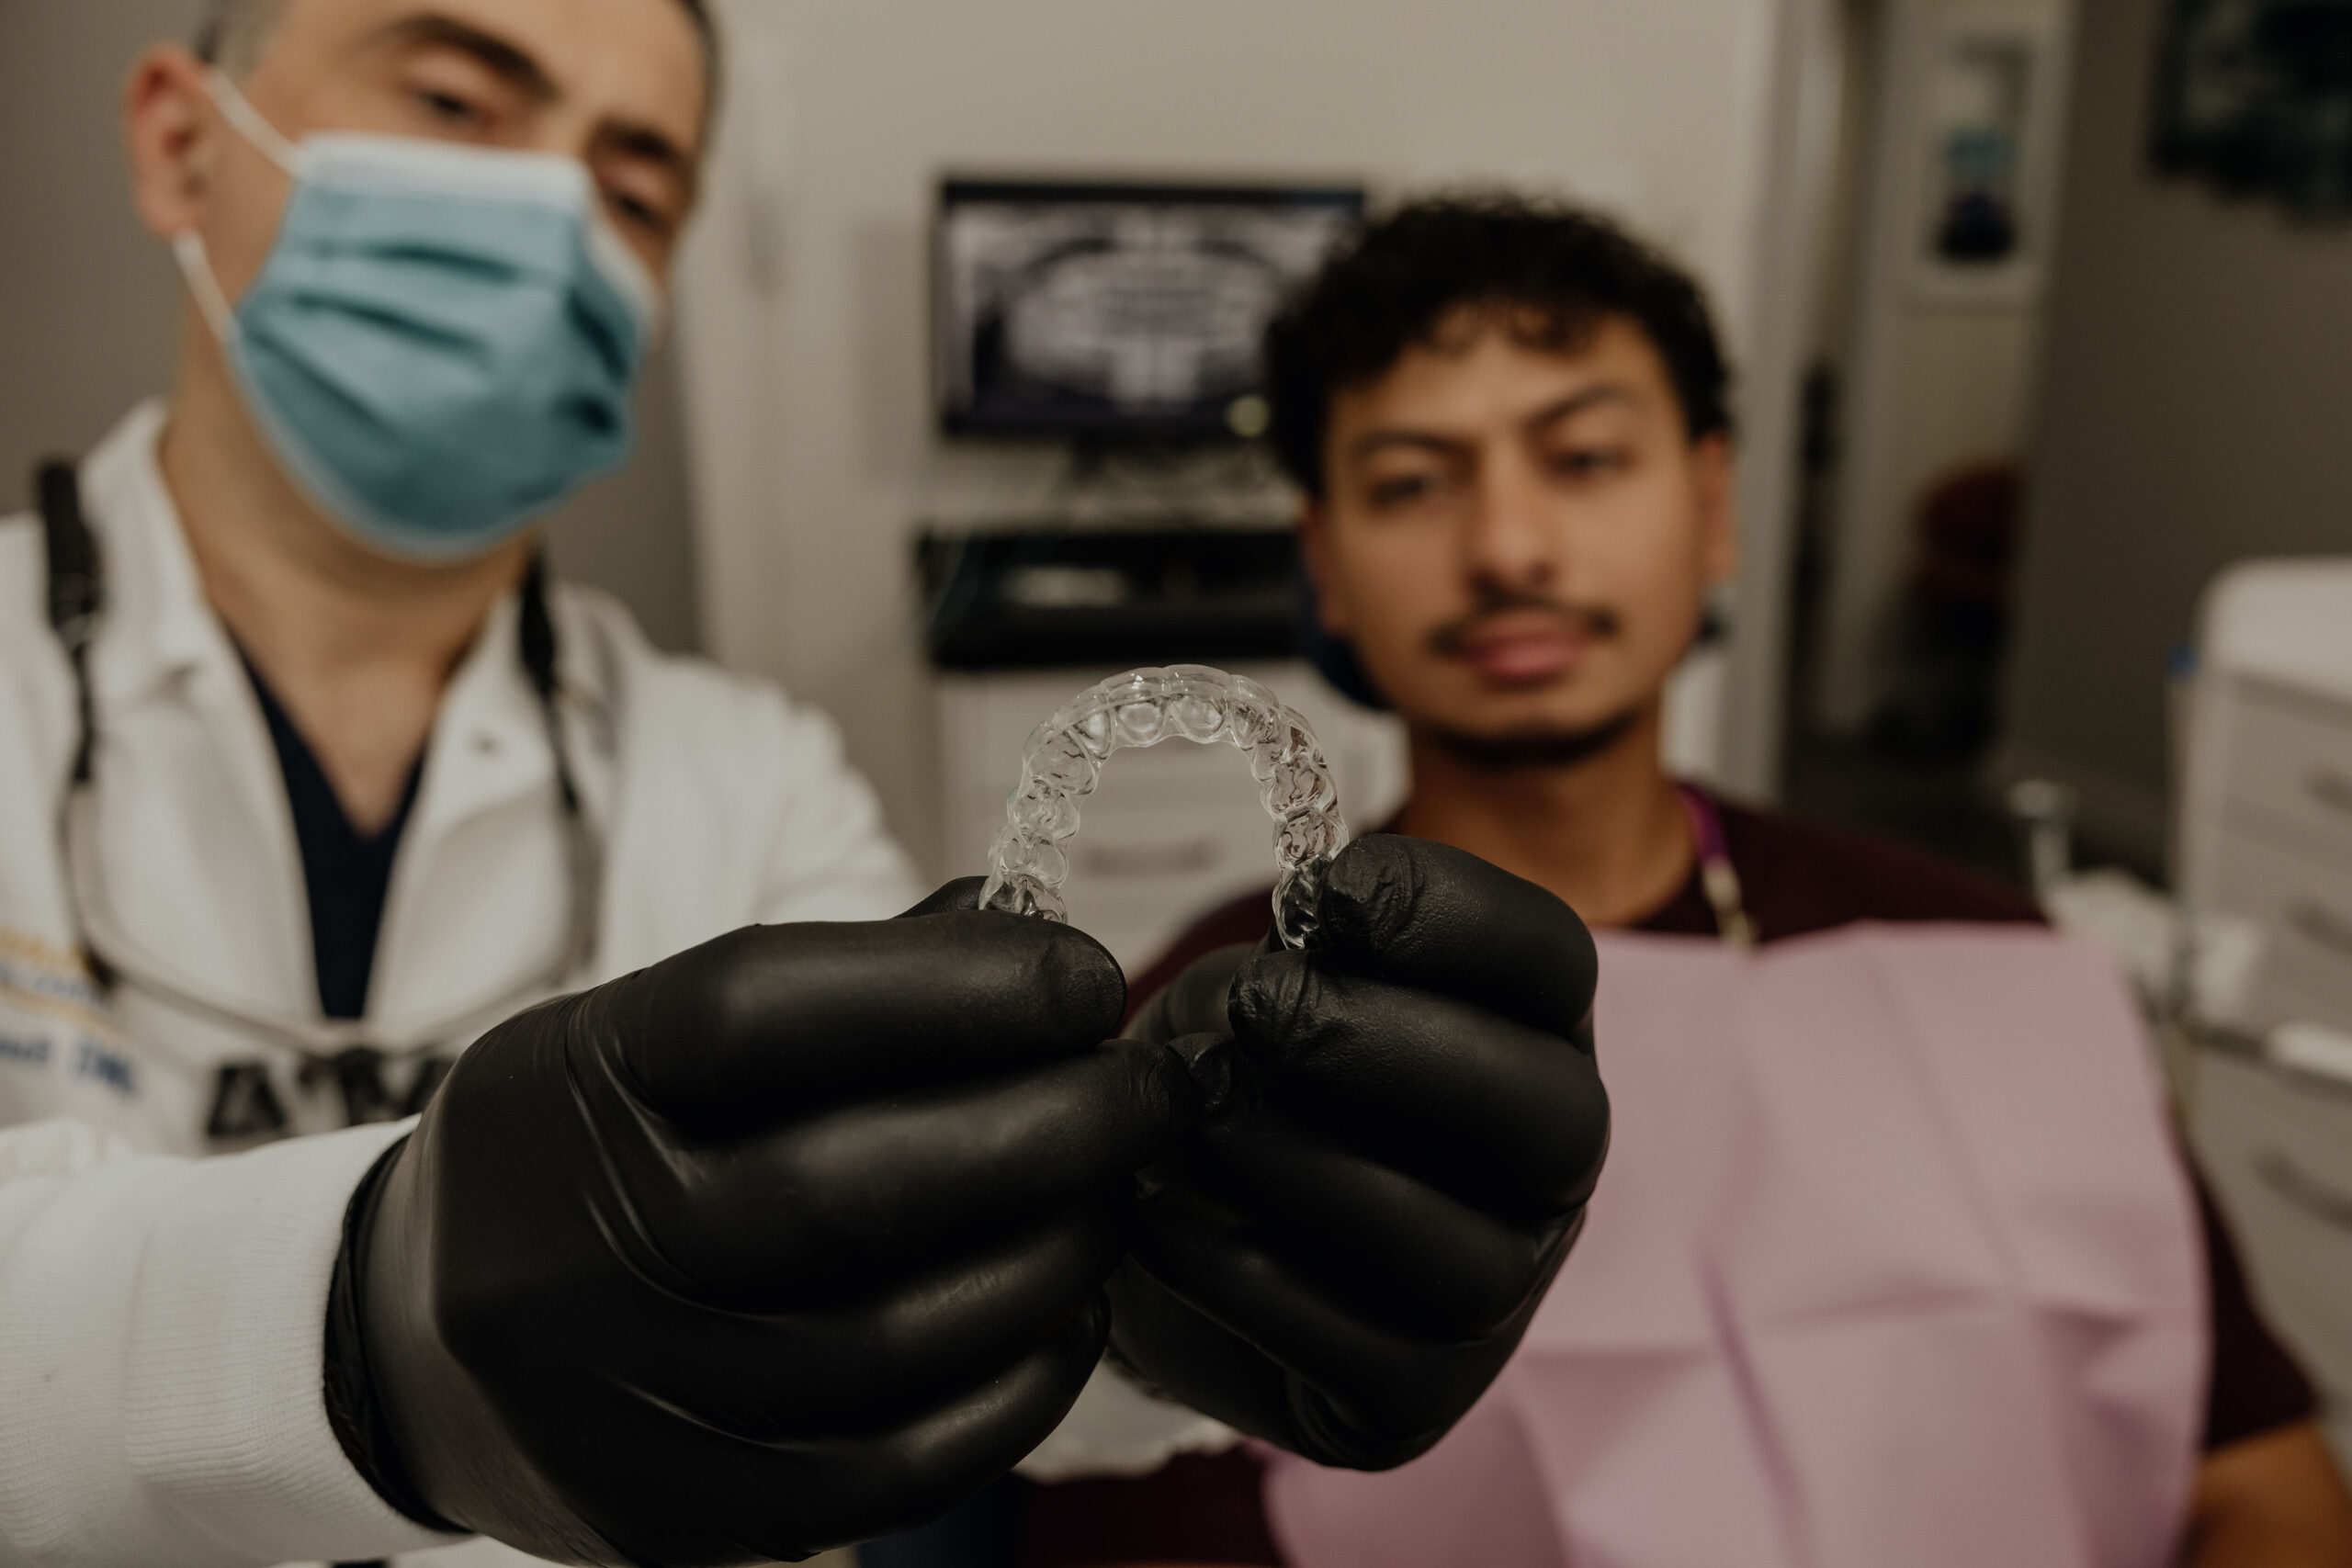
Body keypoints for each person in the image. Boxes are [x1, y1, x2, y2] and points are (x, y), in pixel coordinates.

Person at [0, 8, 1611, 1562]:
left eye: (634, 187)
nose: (552, 217)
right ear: (180, 141)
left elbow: (892, 1280)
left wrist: (1137, 1277)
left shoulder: (753, 779)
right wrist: (359, 1325)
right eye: (454, 101)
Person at [1014, 196, 2352, 1566]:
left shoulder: (1995, 962)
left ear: (1712, 508)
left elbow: (2267, 1484)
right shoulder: (1214, 1041)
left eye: (1585, 458)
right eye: (1413, 483)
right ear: (1328, 568)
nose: (1510, 549)